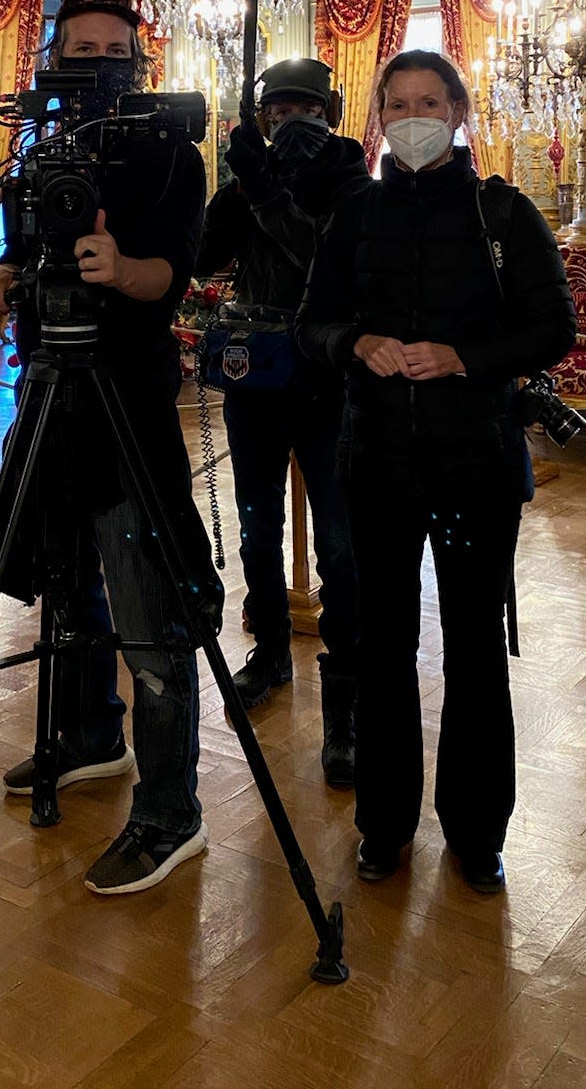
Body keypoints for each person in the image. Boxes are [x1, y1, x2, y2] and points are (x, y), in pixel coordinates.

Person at [295, 49, 575, 892]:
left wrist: (464, 358)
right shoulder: (355, 216)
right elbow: (313, 324)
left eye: (430, 101)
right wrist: (356, 343)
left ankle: (478, 828)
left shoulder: (504, 215)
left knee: (475, 651)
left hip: (475, 468)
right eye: (398, 103)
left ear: (457, 112)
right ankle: (384, 825)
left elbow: (551, 330)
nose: (414, 116)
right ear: (379, 118)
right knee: (384, 649)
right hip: (376, 466)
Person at [0, 0, 220, 895]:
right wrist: (3, 272)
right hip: (47, 393)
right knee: (64, 577)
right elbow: (26, 240)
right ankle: (86, 737)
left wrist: (121, 270)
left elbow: (171, 276)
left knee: (146, 598)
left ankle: (169, 810)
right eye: (80, 52)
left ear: (140, 62)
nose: (97, 68)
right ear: (51, 60)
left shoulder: (170, 160)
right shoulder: (34, 149)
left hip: (126, 396)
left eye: (114, 52)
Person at [196, 58, 368, 786]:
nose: (291, 119)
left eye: (305, 108)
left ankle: (349, 702)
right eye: (279, 109)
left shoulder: (354, 180)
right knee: (255, 525)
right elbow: (203, 258)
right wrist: (233, 190)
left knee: (339, 541)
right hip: (258, 376)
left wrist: (267, 190)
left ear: (329, 111)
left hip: (329, 381)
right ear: (262, 117)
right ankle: (268, 652)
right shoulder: (247, 177)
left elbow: (322, 260)